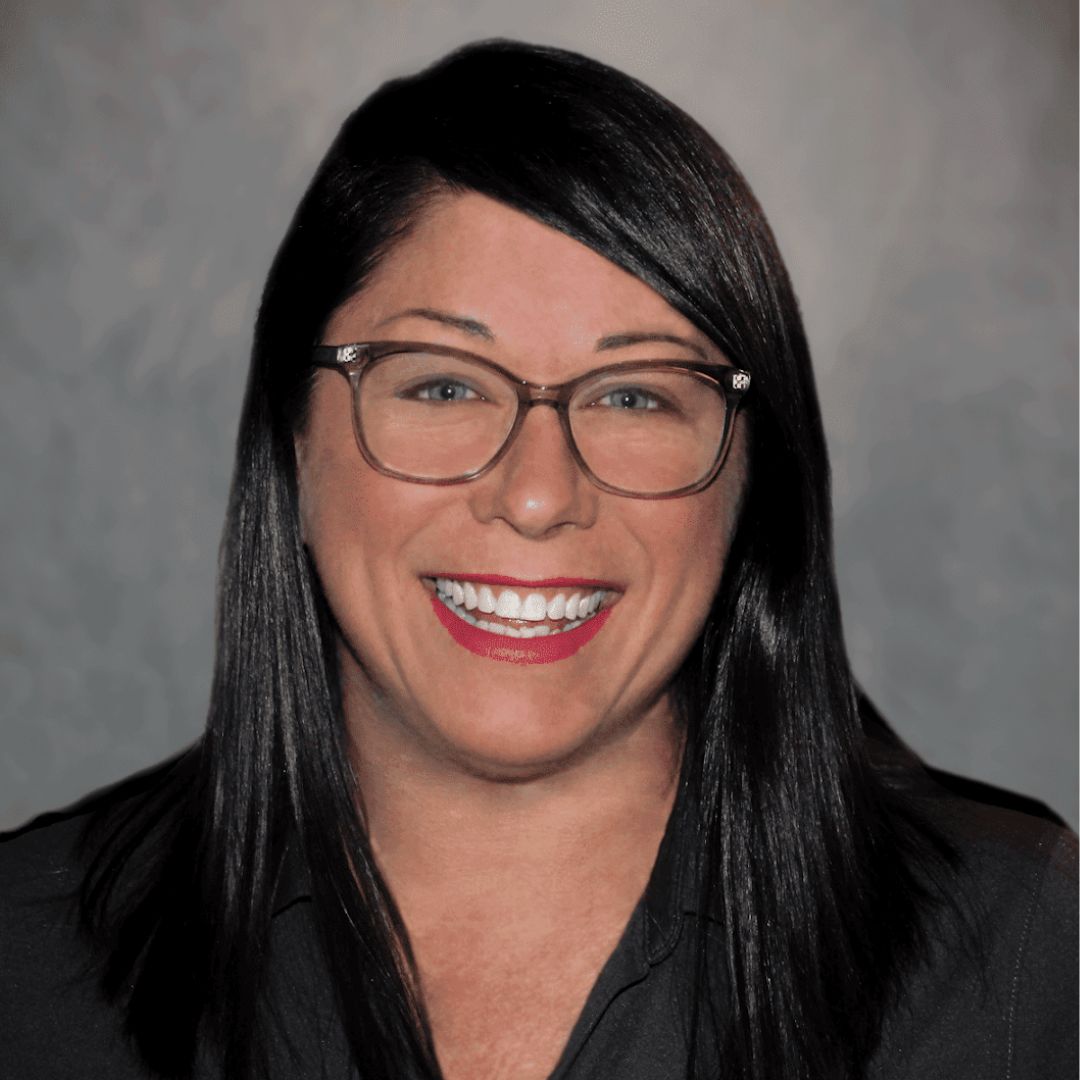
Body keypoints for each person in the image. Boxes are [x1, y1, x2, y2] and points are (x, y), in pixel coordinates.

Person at [0, 39, 1075, 1080]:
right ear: (291, 436)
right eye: (443, 385)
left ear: (754, 475)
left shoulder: (1030, 957)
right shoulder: (27, 959)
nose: (537, 494)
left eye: (636, 396)